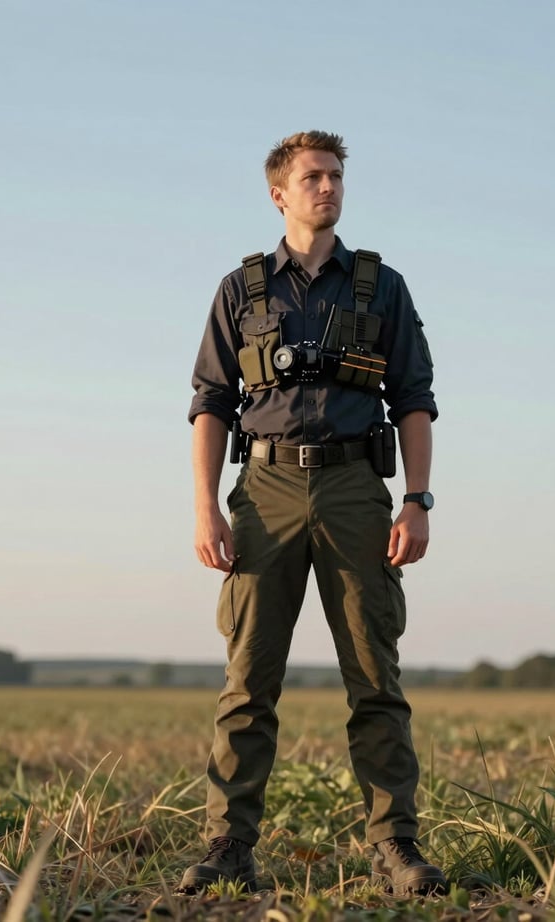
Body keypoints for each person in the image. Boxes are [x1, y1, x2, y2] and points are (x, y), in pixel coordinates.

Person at [180, 131, 445, 897]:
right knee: (248, 677)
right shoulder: (241, 290)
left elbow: (415, 401)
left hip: (356, 487)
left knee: (374, 674)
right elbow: (210, 403)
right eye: (313, 177)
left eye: (335, 176)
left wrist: (418, 501)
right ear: (280, 194)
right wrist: (205, 507)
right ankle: (229, 842)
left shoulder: (381, 286)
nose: (327, 188)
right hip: (262, 491)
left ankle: (396, 844)